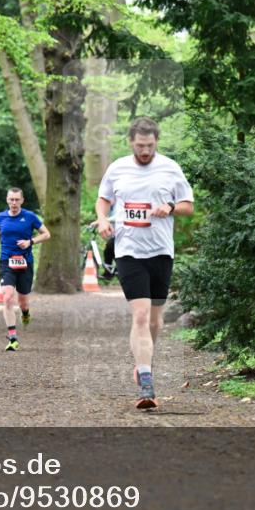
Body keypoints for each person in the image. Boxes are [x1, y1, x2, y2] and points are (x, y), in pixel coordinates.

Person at [96, 117, 194, 409]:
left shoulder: (170, 168)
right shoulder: (117, 168)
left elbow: (189, 205)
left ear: (156, 143)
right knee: (139, 316)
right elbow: (103, 199)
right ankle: (147, 384)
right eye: (140, 146)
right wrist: (103, 219)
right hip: (129, 251)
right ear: (131, 142)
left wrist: (171, 207)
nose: (145, 151)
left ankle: (143, 362)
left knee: (154, 320)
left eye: (150, 146)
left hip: (161, 251)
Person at [0, 187, 51, 351]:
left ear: (22, 200)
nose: (14, 203)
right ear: (7, 200)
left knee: (23, 301)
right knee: (7, 297)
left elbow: (46, 234)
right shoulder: (0, 217)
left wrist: (31, 242)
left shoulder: (29, 217)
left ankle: (25, 313)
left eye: (17, 200)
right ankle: (13, 337)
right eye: (11, 200)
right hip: (6, 262)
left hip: (25, 263)